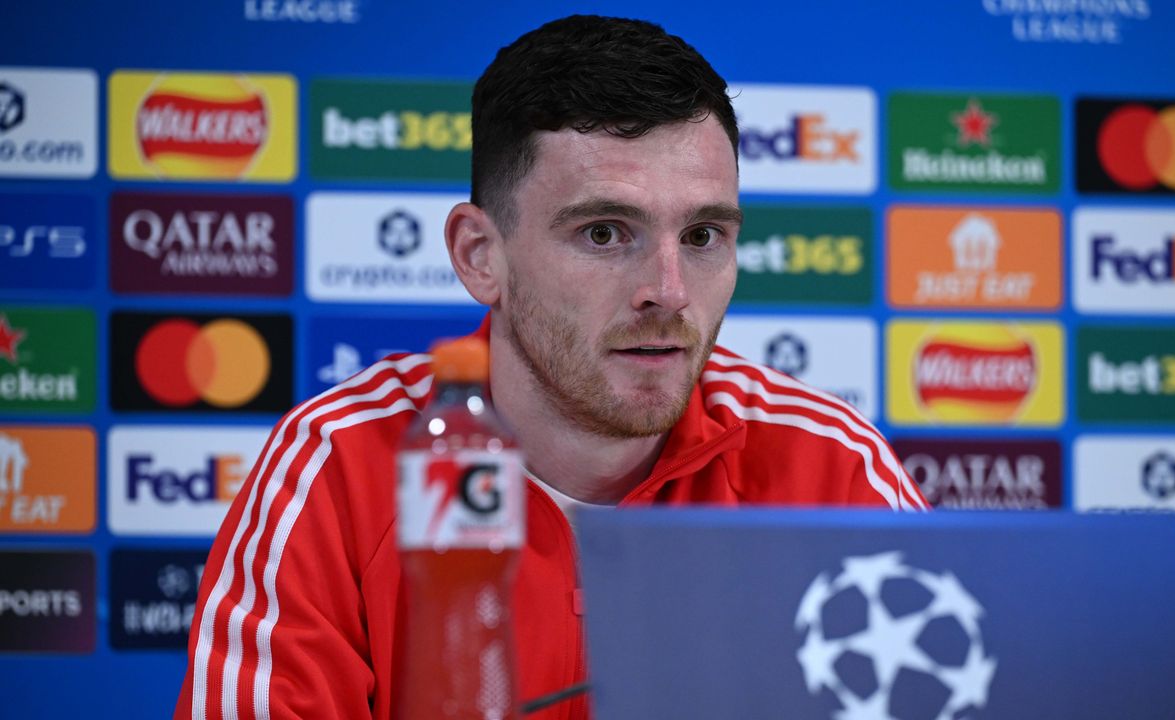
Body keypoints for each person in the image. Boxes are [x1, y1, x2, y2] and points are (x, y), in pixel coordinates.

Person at [175, 14, 926, 720]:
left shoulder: (832, 472)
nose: (668, 291)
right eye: (604, 233)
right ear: (480, 256)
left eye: (702, 235)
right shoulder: (340, 468)